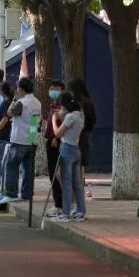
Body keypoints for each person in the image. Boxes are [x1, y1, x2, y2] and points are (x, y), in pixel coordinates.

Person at [0, 77, 42, 202]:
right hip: (32, 138)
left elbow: (9, 113)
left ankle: (11, 194)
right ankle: (27, 194)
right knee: (28, 169)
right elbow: (35, 121)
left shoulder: (21, 102)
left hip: (19, 139)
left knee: (11, 166)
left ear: (21, 89)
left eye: (17, 88)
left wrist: (15, 99)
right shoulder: (37, 102)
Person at [51, 92, 87, 221]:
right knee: (77, 183)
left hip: (67, 149)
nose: (61, 108)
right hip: (76, 149)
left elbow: (58, 133)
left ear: (66, 105)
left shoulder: (70, 117)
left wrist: (54, 120)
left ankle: (66, 213)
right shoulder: (80, 115)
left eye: (62, 106)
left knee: (66, 182)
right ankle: (80, 211)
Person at [44, 79, 66, 214]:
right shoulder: (52, 106)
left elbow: (63, 125)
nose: (53, 91)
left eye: (56, 89)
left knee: (57, 175)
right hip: (49, 141)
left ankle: (60, 204)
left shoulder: (62, 107)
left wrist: (56, 138)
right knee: (52, 174)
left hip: (56, 142)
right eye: (51, 89)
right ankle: (58, 203)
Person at [68, 77, 98, 175]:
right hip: (85, 135)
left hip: (78, 136)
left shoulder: (80, 104)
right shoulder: (88, 102)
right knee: (80, 165)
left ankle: (78, 184)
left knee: (76, 164)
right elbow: (93, 120)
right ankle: (80, 183)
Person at [0, 81, 14, 185]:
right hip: (6, 135)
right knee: (3, 161)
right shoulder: (9, 102)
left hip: (4, 136)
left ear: (2, 91)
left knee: (2, 161)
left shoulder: (6, 102)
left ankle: (1, 185)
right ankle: (2, 184)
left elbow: (5, 119)